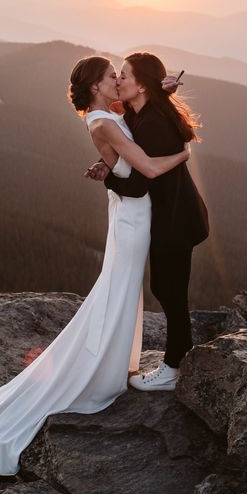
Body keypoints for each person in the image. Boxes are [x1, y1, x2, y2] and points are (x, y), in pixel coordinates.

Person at [0, 55, 189, 477]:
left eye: (122, 76)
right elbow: (147, 167)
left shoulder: (108, 112)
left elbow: (136, 113)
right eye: (112, 76)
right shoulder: (102, 121)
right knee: (119, 288)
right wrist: (183, 153)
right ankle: (100, 372)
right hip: (134, 215)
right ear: (95, 87)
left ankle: (114, 361)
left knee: (121, 288)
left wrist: (162, 87)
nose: (118, 79)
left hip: (132, 210)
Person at [88, 52, 209, 391]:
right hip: (171, 215)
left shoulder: (152, 123)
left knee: (171, 293)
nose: (119, 80)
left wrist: (109, 178)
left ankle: (172, 369)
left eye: (124, 75)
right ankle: (176, 362)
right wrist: (162, 88)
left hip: (175, 220)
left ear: (140, 85)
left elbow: (139, 185)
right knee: (166, 289)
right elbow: (122, 120)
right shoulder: (143, 111)